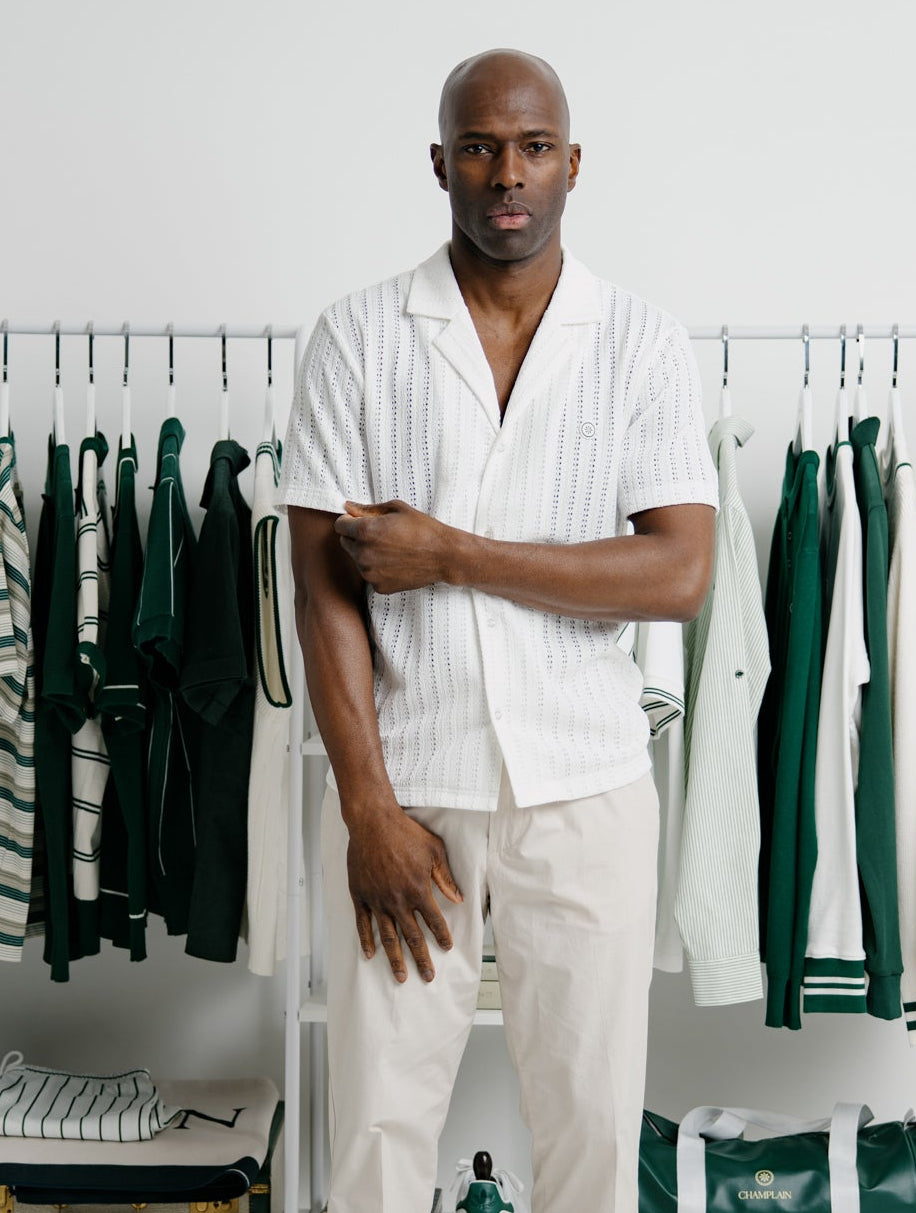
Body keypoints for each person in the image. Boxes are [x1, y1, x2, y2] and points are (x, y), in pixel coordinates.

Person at [281, 47, 717, 1213]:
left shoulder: (641, 342)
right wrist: (365, 807)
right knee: (375, 1125)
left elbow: (679, 570)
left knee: (588, 1128)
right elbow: (319, 586)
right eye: (478, 146)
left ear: (572, 164)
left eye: (531, 147)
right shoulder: (358, 337)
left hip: (584, 793)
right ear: (439, 164)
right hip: (408, 798)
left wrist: (454, 554)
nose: (505, 172)